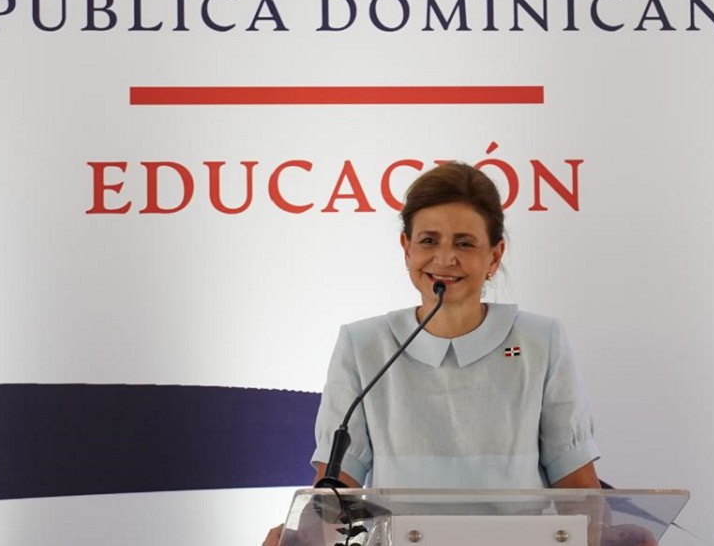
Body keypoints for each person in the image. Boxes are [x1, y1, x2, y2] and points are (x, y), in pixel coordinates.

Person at [264, 162, 650, 546]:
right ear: (406, 248)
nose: (445, 259)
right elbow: (334, 492)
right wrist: (299, 539)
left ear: (495, 255)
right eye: (429, 240)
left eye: (464, 243)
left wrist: (604, 538)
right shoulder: (363, 344)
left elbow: (577, 489)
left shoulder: (541, 340)